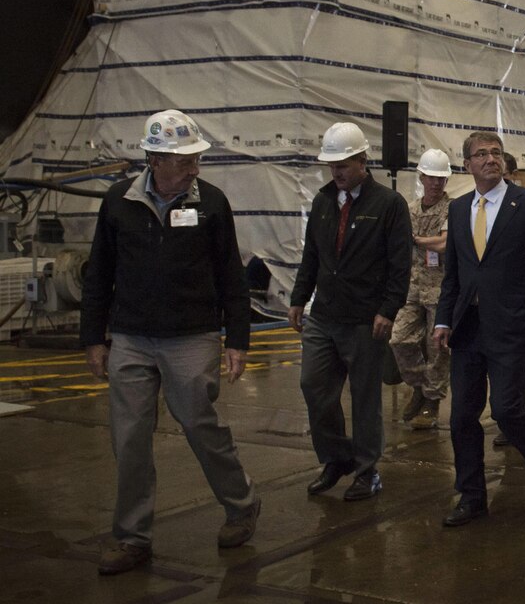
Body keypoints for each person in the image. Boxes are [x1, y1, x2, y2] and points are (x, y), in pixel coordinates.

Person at [81, 110, 260, 575]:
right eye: (185, 161)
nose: (195, 168)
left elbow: (230, 277)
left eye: (196, 158)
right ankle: (132, 537)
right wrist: (93, 338)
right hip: (131, 337)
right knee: (130, 438)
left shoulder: (212, 204)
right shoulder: (119, 201)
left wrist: (237, 339)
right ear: (155, 159)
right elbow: (99, 271)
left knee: (201, 425)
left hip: (192, 336)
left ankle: (241, 504)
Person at [434, 131, 525, 526]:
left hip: (510, 326)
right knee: (461, 418)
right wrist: (442, 319)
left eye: (496, 153)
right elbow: (453, 274)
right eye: (481, 154)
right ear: (467, 165)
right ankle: (471, 496)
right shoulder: (457, 210)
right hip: (467, 328)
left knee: (506, 409)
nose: (490, 159)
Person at [289, 122, 412, 501]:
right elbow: (312, 255)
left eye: (343, 164)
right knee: (314, 386)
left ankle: (366, 470)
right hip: (324, 315)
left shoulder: (389, 204)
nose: (337, 172)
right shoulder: (323, 201)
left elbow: (400, 263)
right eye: (332, 165)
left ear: (362, 160)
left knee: (364, 398)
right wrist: (298, 297)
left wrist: (388, 309)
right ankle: (336, 458)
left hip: (365, 318)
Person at [390, 149, 453, 430]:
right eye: (432, 178)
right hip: (412, 287)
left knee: (437, 348)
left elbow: (444, 244)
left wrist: (415, 239)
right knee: (399, 340)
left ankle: (432, 401)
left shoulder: (453, 209)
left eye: (441, 179)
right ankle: (419, 387)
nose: (436, 184)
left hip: (440, 289)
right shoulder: (411, 209)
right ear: (422, 177)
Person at [491, 150, 525, 447]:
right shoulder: (475, 207)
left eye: (506, 177)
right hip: (491, 309)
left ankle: (512, 424)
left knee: (509, 379)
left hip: (518, 309)